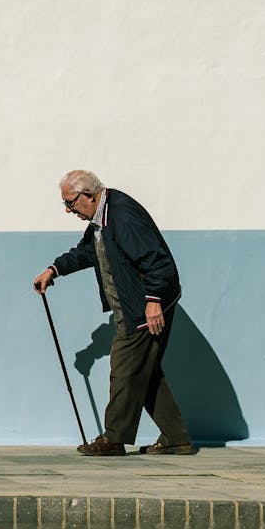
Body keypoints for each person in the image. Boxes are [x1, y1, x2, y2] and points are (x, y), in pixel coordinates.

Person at [33, 170, 195, 457]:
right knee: (143, 372)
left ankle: (114, 438)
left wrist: (153, 301)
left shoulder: (123, 217)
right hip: (132, 307)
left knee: (124, 370)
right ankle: (176, 437)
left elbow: (160, 262)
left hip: (144, 310)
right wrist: (54, 269)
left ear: (88, 196)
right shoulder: (100, 218)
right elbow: (87, 252)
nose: (69, 210)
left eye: (70, 203)